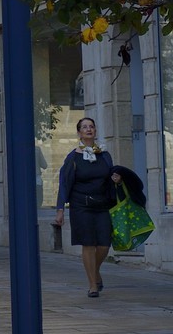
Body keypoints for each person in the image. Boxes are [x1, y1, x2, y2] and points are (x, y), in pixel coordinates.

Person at [52, 116, 122, 297]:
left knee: (104, 245)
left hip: (102, 205)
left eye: (91, 126)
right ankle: (92, 284)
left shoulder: (104, 155)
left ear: (95, 131)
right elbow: (65, 183)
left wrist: (117, 180)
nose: (89, 129)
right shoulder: (73, 156)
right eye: (84, 127)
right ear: (79, 133)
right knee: (89, 244)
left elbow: (110, 177)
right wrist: (60, 209)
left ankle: (95, 271)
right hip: (81, 205)